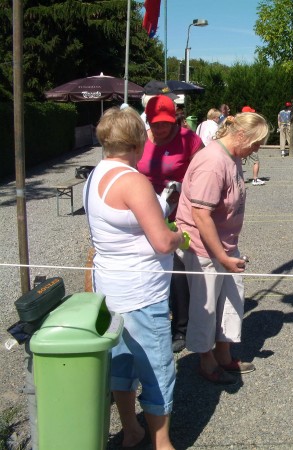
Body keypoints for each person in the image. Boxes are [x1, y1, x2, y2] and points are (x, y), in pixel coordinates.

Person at [84, 107, 184, 450]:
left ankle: (131, 430)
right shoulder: (133, 180)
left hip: (110, 289)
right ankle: (162, 442)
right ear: (138, 141)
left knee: (121, 366)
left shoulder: (98, 173)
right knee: (157, 369)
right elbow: (161, 239)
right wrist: (179, 237)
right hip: (142, 291)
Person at [176, 112, 270, 384]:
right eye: (256, 143)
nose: (258, 148)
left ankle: (224, 354)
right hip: (203, 247)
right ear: (241, 135)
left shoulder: (233, 156)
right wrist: (220, 257)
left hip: (225, 244)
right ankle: (206, 361)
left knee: (231, 298)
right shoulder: (213, 162)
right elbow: (200, 215)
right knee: (205, 306)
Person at [137, 95, 202, 353]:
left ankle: (182, 327)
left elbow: (205, 172)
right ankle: (155, 321)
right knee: (149, 267)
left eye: (165, 123)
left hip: (179, 213)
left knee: (176, 268)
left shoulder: (189, 139)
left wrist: (183, 188)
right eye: (155, 123)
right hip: (146, 211)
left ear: (174, 118)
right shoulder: (141, 139)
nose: (160, 128)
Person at [241, 105, 266, 185]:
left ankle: (238, 179)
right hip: (250, 145)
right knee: (256, 162)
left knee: (237, 162)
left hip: (241, 145)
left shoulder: (239, 123)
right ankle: (255, 179)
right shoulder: (250, 123)